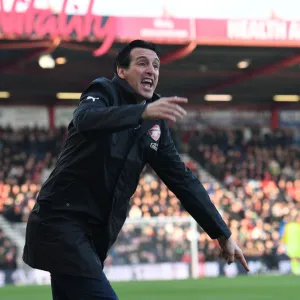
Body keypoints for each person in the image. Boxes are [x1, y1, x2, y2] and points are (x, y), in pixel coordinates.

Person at [23, 40, 249, 300]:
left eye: (156, 66)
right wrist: (141, 112)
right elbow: (85, 120)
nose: (151, 71)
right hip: (61, 223)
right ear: (121, 71)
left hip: (93, 236)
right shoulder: (103, 91)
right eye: (142, 63)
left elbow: (183, 181)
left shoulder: (155, 123)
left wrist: (222, 233)